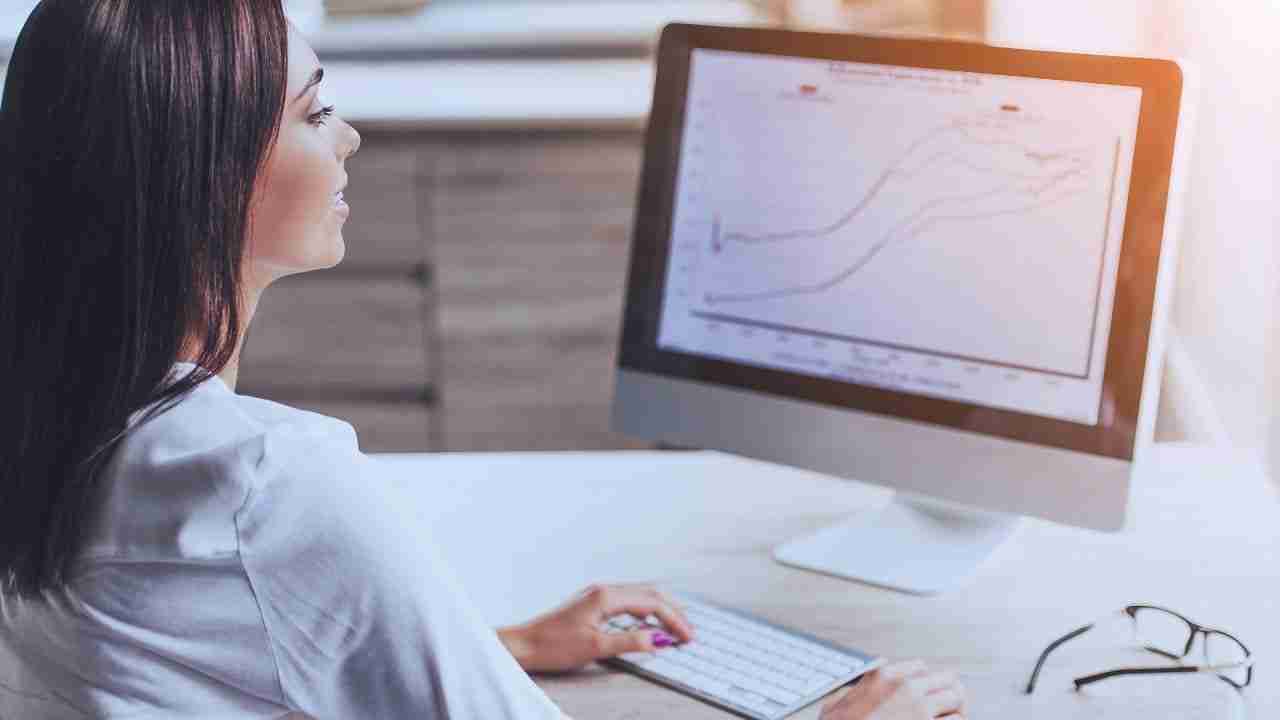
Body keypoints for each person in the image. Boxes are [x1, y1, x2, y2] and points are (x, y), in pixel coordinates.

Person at [0, 1, 968, 718]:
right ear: (203, 175)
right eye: (311, 111)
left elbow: (168, 657)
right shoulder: (265, 484)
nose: (348, 136)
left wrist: (491, 648)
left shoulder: (48, 415)